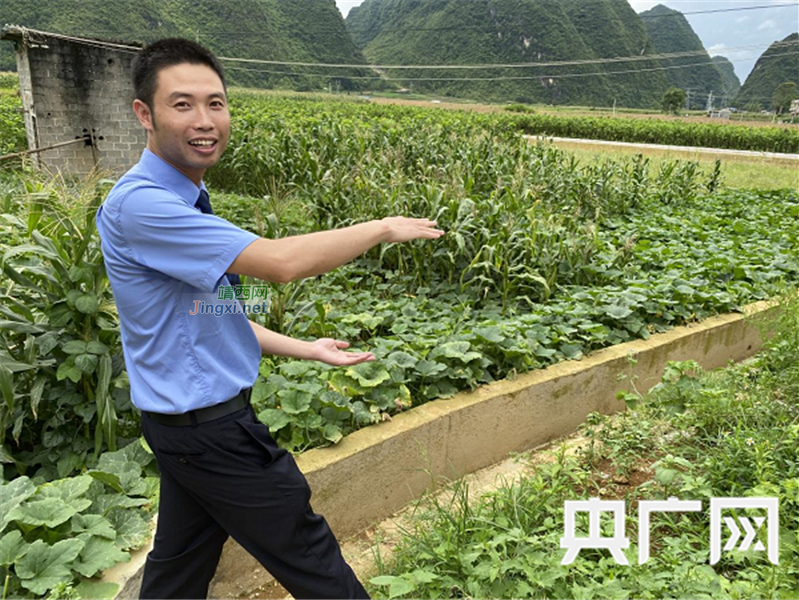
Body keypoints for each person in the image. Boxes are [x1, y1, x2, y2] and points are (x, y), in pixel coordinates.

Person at [95, 38, 444, 600]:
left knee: (179, 568)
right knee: (312, 559)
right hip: (212, 433)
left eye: (216, 103)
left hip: (185, 429)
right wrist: (379, 227)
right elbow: (281, 264)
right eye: (182, 104)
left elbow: (207, 316)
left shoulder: (182, 199)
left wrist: (308, 348)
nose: (205, 120)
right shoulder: (144, 205)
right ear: (145, 113)